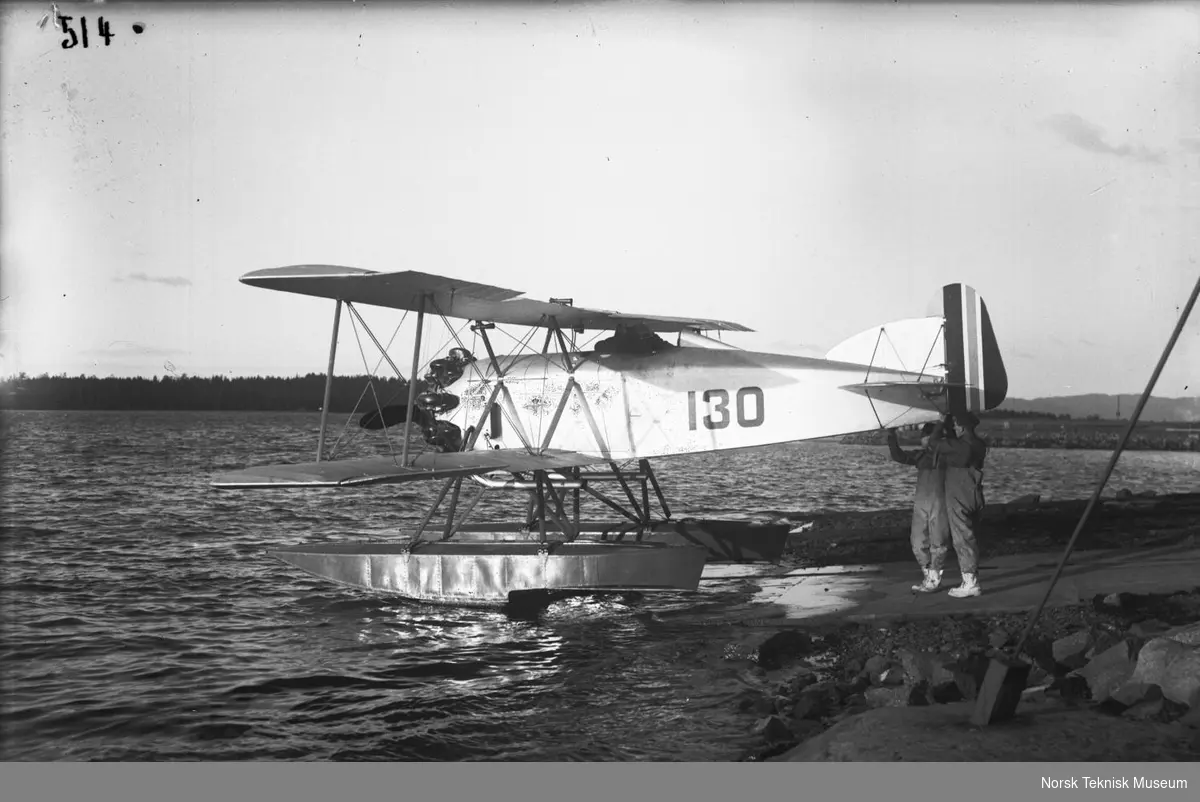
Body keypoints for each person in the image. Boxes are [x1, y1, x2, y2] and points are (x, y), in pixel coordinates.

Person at [928, 412, 988, 598]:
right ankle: (970, 578)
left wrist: (939, 424)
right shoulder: (978, 444)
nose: (954, 427)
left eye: (955, 425)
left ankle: (970, 583)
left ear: (961, 427)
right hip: (974, 491)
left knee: (962, 538)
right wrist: (950, 429)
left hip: (958, 494)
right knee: (972, 536)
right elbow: (957, 446)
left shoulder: (960, 446)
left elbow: (933, 443)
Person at [887, 422, 950, 593]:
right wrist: (891, 435)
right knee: (917, 541)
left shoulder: (947, 456)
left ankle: (934, 578)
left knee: (938, 541)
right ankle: (928, 574)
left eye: (924, 436)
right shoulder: (920, 456)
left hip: (940, 502)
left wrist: (942, 423)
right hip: (921, 503)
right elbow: (898, 456)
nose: (921, 439)